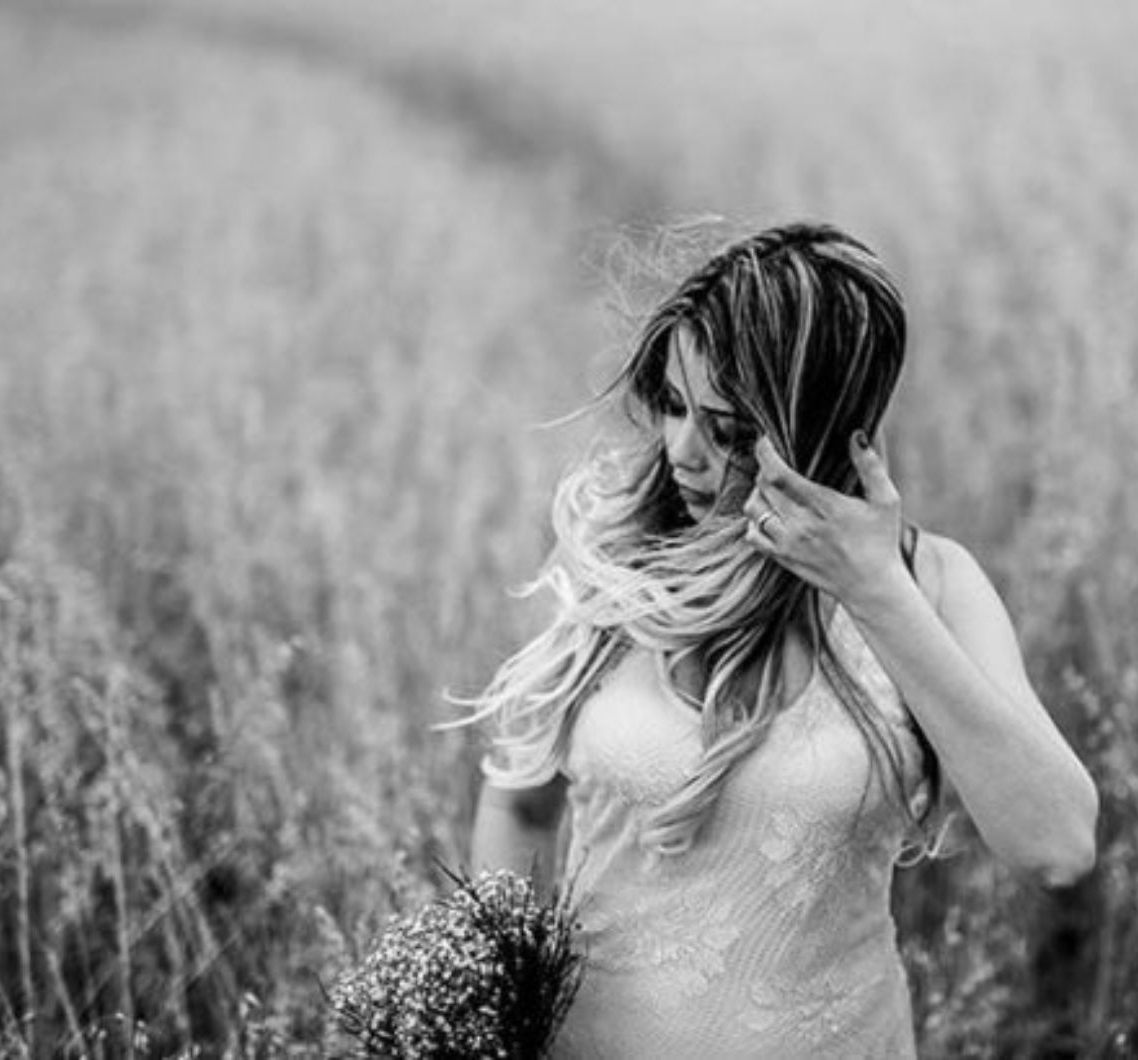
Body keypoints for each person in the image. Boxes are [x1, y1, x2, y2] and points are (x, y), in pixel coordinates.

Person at [458, 222, 1098, 1058]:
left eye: (726, 429)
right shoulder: (615, 563)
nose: (682, 451)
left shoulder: (932, 585)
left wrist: (876, 594)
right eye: (674, 405)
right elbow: (520, 802)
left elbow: (1056, 845)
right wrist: (497, 1016)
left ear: (821, 434)